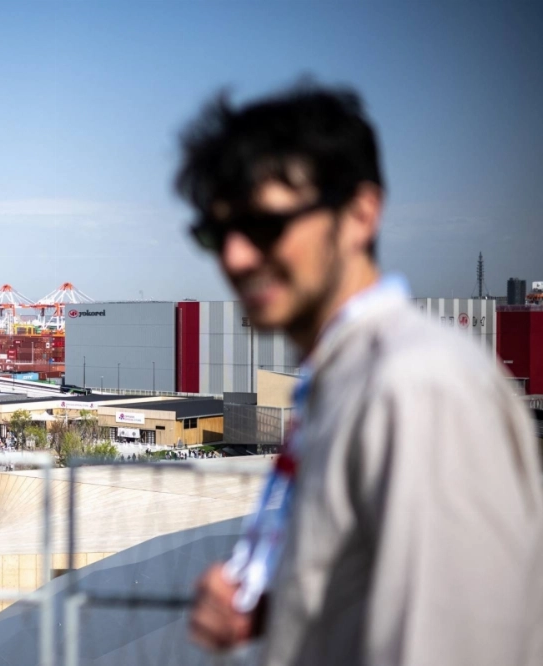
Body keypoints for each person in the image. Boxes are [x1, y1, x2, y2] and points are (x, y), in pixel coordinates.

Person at [178, 83, 543, 666]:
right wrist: (283, 612)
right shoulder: (345, 380)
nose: (236, 258)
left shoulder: (420, 390)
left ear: (359, 214)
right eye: (218, 234)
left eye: (265, 225)